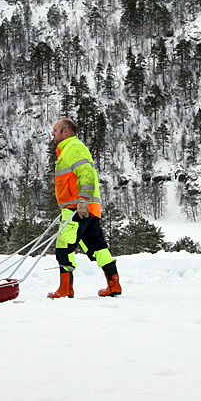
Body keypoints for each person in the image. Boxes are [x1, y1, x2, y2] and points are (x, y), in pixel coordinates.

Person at [48, 118, 121, 298]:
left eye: (55, 130)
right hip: (87, 208)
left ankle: (65, 289)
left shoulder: (72, 148)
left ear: (66, 131)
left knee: (64, 245)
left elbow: (87, 173)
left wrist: (83, 200)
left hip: (77, 208)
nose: (53, 134)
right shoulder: (69, 149)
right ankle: (114, 285)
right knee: (98, 247)